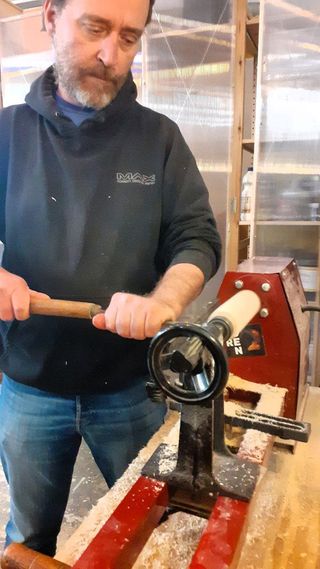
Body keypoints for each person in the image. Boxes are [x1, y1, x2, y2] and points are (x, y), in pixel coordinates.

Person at [0, 0, 222, 557]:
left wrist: (164, 299)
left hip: (130, 387)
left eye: (129, 37)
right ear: (51, 15)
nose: (110, 54)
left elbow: (196, 237)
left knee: (158, 536)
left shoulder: (159, 139)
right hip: (29, 385)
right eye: (94, 28)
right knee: (29, 542)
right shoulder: (7, 133)